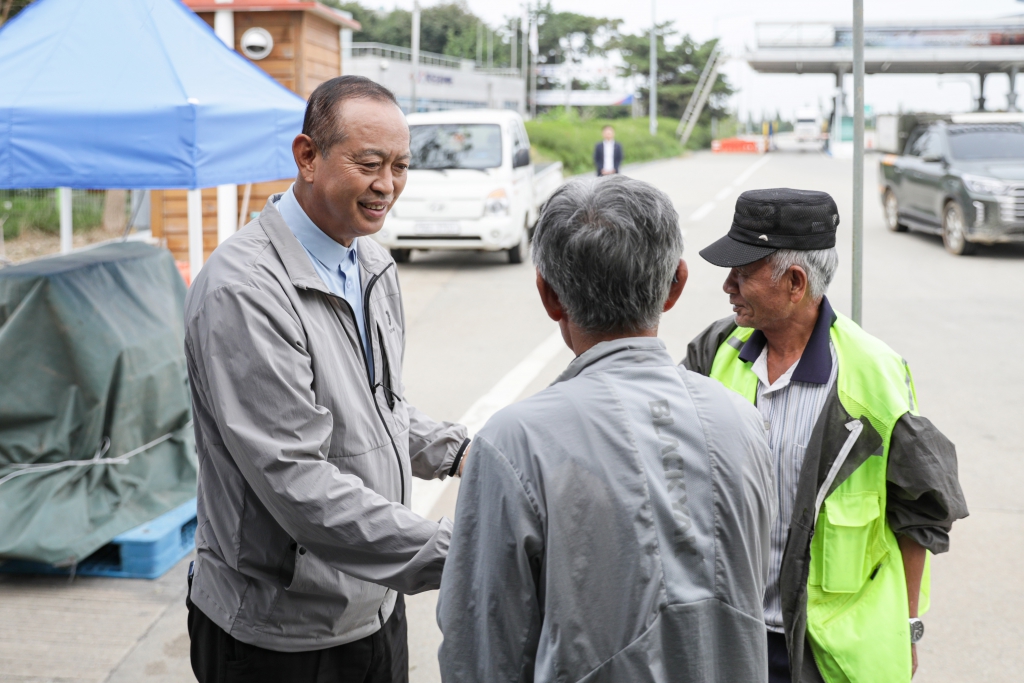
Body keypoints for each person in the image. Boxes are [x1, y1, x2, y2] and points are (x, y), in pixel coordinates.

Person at [183, 76, 470, 683]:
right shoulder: (247, 290)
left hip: (372, 605)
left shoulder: (368, 261)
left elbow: (377, 408)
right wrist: (465, 549)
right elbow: (297, 480)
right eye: (369, 163)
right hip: (278, 633)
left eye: (400, 166)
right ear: (307, 156)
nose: (386, 186)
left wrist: (464, 453)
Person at [437, 176, 777, 682]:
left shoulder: (516, 441)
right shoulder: (744, 422)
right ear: (675, 285)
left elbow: (482, 648)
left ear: (549, 295)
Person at [683, 188, 969, 683]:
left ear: (795, 283)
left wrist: (908, 626)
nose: (728, 285)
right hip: (730, 636)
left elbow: (922, 510)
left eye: (743, 270)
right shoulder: (715, 351)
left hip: (822, 655)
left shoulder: (873, 375)